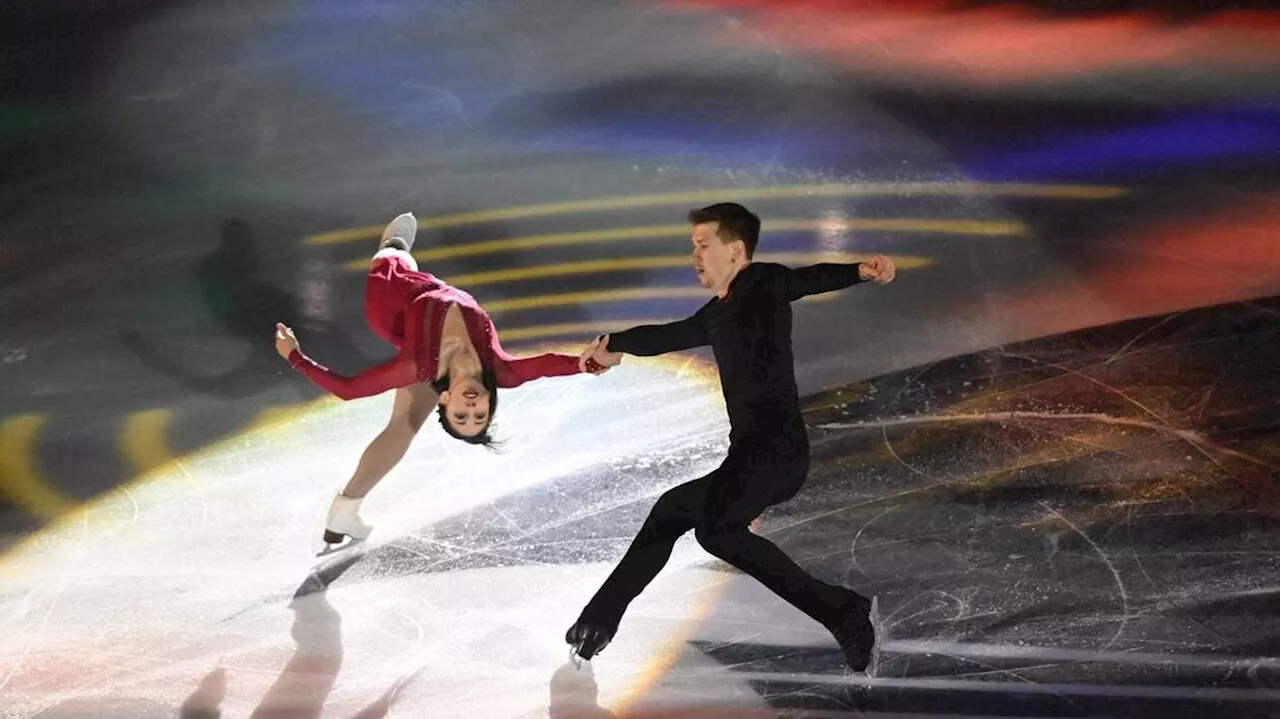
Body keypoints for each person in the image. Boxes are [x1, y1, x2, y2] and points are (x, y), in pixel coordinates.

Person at [565, 202, 895, 672]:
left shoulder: (760, 283)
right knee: (671, 511)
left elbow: (803, 280)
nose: (694, 255)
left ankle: (842, 610)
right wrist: (614, 344)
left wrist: (859, 270)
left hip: (777, 453)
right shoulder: (716, 313)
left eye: (703, 245)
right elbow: (667, 335)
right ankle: (597, 620)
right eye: (692, 246)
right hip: (748, 458)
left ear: (735, 250)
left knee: (717, 531)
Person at [275, 212, 608, 546]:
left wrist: (294, 356)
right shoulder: (502, 371)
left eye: (461, 416)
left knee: (394, 249)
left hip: (394, 302)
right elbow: (548, 365)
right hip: (433, 297)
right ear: (490, 401)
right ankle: (346, 511)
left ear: (445, 400)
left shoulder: (415, 367)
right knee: (405, 422)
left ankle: (345, 507)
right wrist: (591, 364)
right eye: (480, 415)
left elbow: (348, 390)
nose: (472, 407)